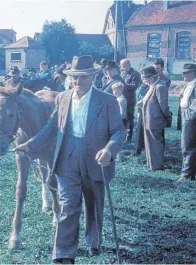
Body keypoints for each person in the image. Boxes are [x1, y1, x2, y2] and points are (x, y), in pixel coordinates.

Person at [15, 55, 126, 264]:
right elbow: (51, 127)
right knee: (68, 205)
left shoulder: (108, 101)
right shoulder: (63, 98)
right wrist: (29, 145)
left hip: (95, 159)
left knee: (93, 205)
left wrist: (110, 150)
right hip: (67, 158)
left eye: (82, 77)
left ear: (93, 76)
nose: (77, 82)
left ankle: (94, 242)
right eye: (74, 77)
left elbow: (119, 131)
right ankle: (64, 253)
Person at [141, 66, 169, 171]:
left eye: (145, 78)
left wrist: (165, 118)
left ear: (152, 77)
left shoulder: (160, 87)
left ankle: (157, 166)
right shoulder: (152, 87)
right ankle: (151, 164)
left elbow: (164, 106)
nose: (144, 80)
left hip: (155, 120)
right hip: (148, 120)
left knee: (156, 143)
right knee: (149, 142)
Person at [120, 59, 142, 143]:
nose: (122, 68)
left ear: (129, 65)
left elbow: (135, 86)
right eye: (121, 66)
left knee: (129, 118)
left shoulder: (136, 74)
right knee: (122, 118)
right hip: (121, 99)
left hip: (130, 100)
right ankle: (122, 135)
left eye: (124, 66)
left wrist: (123, 86)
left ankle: (129, 137)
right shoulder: (123, 73)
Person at [135, 82, 150, 155]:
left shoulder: (151, 86)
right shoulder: (140, 85)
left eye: (145, 77)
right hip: (140, 110)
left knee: (145, 130)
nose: (143, 79)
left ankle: (145, 148)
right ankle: (138, 149)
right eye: (142, 77)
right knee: (139, 130)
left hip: (147, 111)